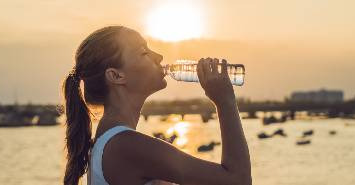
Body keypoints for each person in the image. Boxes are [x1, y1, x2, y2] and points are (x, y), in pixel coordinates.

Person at [61, 26, 251, 185]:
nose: (159, 56)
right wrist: (225, 101)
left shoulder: (111, 142)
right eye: (144, 52)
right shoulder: (126, 145)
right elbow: (238, 180)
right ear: (116, 76)